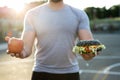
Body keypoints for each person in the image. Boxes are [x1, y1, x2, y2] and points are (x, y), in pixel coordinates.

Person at [7, 0, 98, 80]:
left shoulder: (79, 14)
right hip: (41, 73)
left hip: (70, 73)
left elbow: (87, 50)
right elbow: (26, 49)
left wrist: (90, 53)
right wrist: (20, 52)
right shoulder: (32, 14)